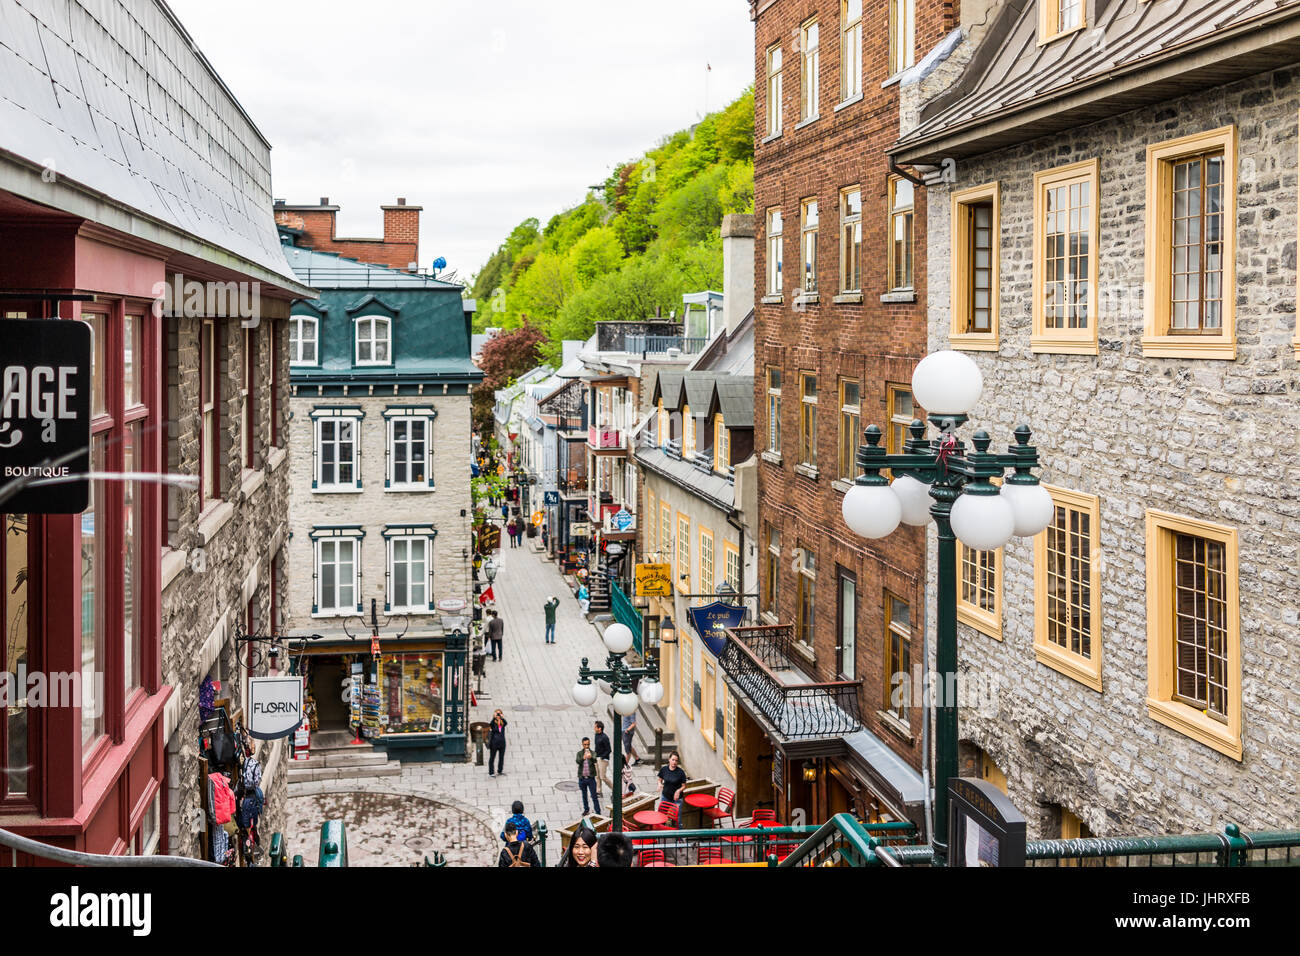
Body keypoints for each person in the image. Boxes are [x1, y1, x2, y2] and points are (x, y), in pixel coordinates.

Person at [657, 751, 687, 820]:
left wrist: (678, 791)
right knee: (661, 816)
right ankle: (661, 829)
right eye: (673, 760)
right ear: (669, 759)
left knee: (677, 819)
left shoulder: (681, 772)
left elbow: (684, 786)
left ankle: (678, 830)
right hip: (665, 797)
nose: (674, 762)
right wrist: (659, 784)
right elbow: (659, 779)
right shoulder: (664, 769)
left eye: (676, 760)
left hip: (677, 799)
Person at [576, 738, 601, 817]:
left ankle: (598, 811)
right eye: (585, 744)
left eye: (588, 744)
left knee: (594, 796)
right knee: (584, 795)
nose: (586, 746)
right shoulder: (580, 753)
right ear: (582, 744)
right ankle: (586, 809)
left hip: (590, 779)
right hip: (582, 778)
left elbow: (595, 760)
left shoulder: (592, 753)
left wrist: (591, 757)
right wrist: (583, 758)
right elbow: (577, 761)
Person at [592, 720, 612, 794]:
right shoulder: (596, 735)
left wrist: (602, 757)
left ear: (599, 728)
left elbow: (609, 750)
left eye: (595, 727)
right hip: (596, 758)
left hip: (603, 759)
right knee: (597, 776)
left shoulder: (605, 738)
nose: (594, 728)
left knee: (602, 777)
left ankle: (615, 789)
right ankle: (598, 791)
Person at [487, 709, 507, 777]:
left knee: (501, 758)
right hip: (494, 743)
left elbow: (506, 723)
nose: (498, 715)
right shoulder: (493, 723)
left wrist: (502, 718)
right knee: (492, 758)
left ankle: (500, 770)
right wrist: (494, 718)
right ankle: (491, 772)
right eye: (497, 714)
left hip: (502, 743)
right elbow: (491, 725)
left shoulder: (502, 723)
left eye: (499, 714)